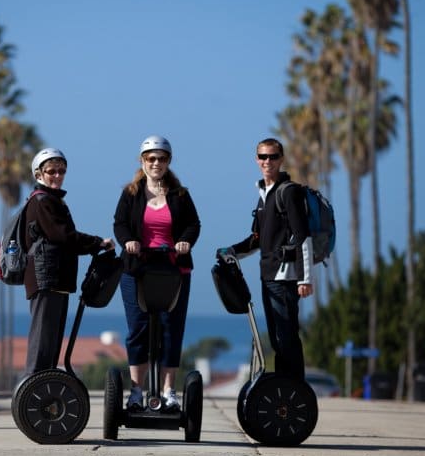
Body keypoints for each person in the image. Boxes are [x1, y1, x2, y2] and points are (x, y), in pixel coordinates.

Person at [113, 135, 201, 411]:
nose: (156, 163)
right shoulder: (131, 193)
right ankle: (137, 391)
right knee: (137, 328)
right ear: (142, 161)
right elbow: (119, 223)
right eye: (151, 158)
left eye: (161, 158)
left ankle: (168, 391)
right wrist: (128, 241)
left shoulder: (180, 195)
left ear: (168, 161)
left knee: (170, 328)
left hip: (173, 269)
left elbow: (193, 224)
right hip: (137, 269)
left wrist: (185, 242)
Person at [222, 137, 313, 382]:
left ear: (281, 159)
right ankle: (285, 386)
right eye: (263, 157)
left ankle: (294, 388)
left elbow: (303, 236)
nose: (267, 161)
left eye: (272, 156)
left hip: (285, 277)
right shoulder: (263, 193)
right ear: (256, 160)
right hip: (268, 275)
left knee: (286, 335)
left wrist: (304, 279)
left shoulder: (288, 192)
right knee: (276, 337)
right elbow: (257, 239)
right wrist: (230, 250)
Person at [23, 147, 115, 375]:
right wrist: (98, 243)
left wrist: (93, 245)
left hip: (58, 280)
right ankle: (31, 391)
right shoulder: (43, 201)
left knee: (52, 343)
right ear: (38, 174)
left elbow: (64, 239)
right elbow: (62, 236)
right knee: (42, 345)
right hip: (45, 280)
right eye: (51, 171)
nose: (57, 176)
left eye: (61, 171)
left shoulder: (54, 201)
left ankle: (43, 392)